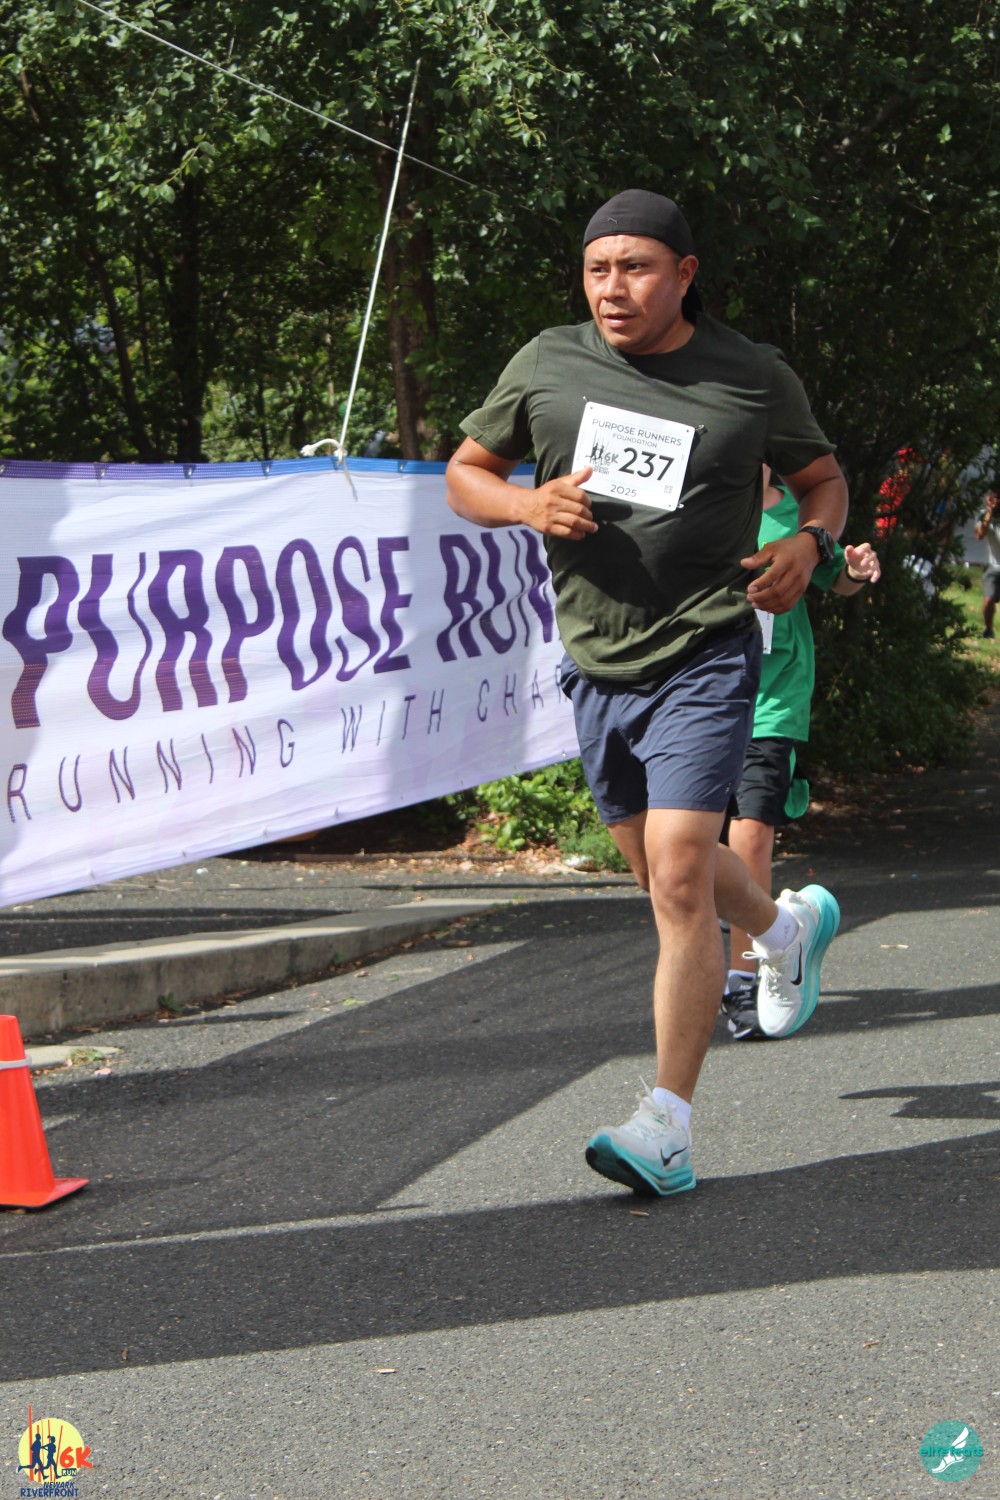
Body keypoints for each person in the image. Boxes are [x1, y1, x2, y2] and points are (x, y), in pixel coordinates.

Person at [445, 188, 848, 1197]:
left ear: (684, 275)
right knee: (666, 871)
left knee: (677, 873)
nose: (612, 289)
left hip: (707, 648)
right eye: (597, 270)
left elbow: (824, 481)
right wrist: (526, 504)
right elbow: (464, 474)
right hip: (596, 661)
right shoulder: (548, 362)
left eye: (634, 268)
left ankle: (666, 1126)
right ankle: (784, 929)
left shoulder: (751, 375)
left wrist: (809, 544)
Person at [722, 465, 881, 1040]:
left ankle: (745, 978)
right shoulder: (696, 503)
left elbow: (838, 579)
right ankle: (778, 930)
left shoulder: (797, 512)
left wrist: (856, 570)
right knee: (685, 845)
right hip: (699, 692)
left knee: (750, 832)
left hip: (772, 697)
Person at [974, 490, 1000, 639]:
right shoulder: (984, 515)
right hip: (993, 566)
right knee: (989, 599)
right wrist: (990, 512)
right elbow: (980, 534)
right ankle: (989, 629)